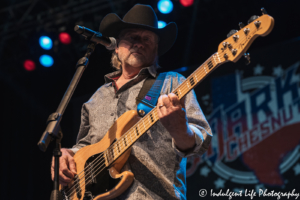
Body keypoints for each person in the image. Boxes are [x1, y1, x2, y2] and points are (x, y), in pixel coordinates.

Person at [51, 4, 212, 200]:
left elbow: (202, 138)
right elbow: (85, 146)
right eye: (132, 37)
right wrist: (67, 155)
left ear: (156, 49)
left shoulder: (172, 83)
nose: (139, 43)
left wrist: (182, 130)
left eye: (146, 39)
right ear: (116, 47)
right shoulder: (96, 98)